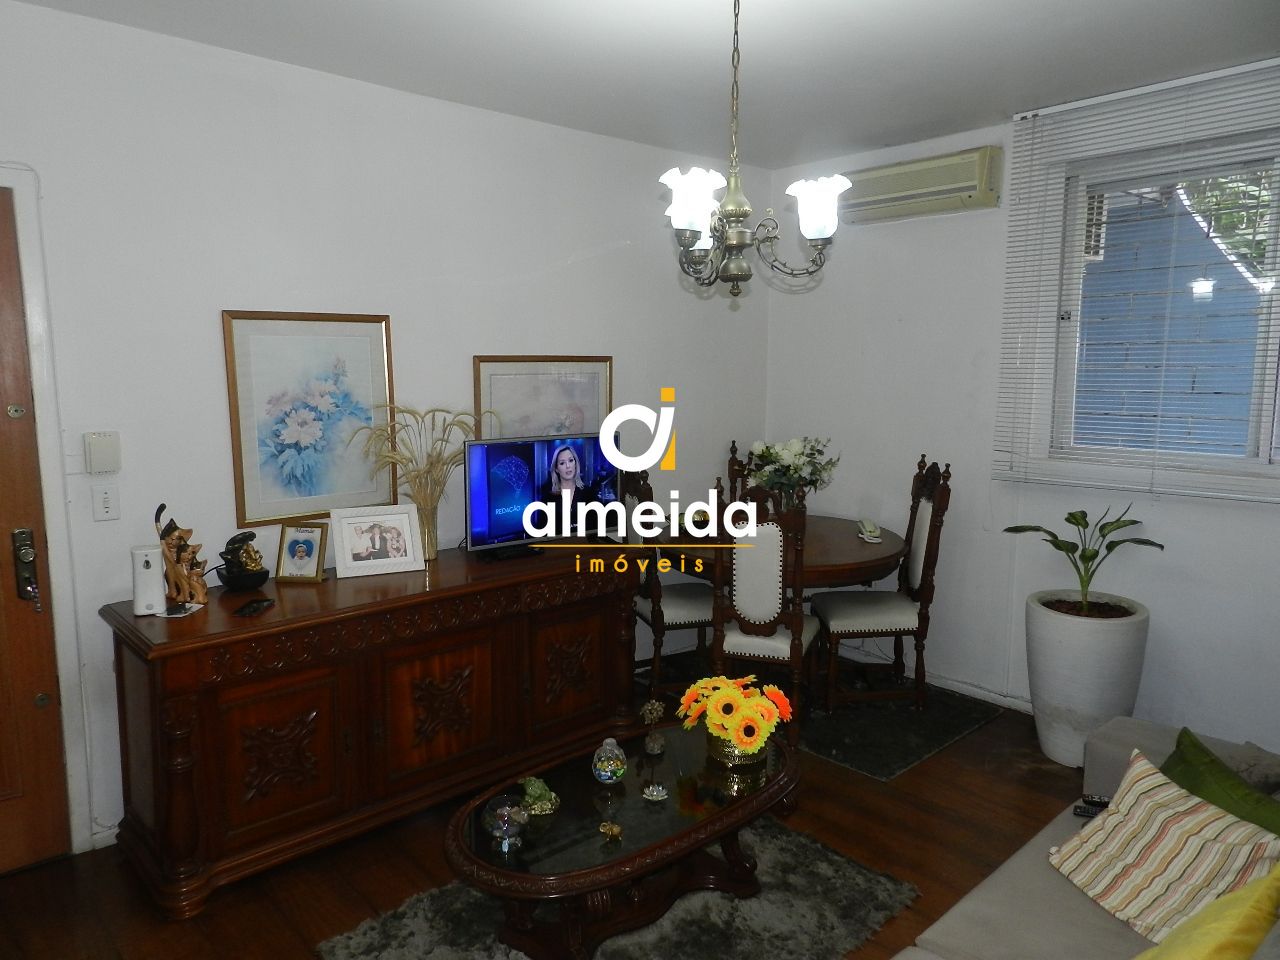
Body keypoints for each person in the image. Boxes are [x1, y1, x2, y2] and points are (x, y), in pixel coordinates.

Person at [539, 443, 600, 534]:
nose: (568, 466)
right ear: (556, 469)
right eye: (562, 463)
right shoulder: (548, 499)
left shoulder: (589, 493)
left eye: (571, 460)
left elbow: (596, 528)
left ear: (575, 464)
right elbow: (543, 534)